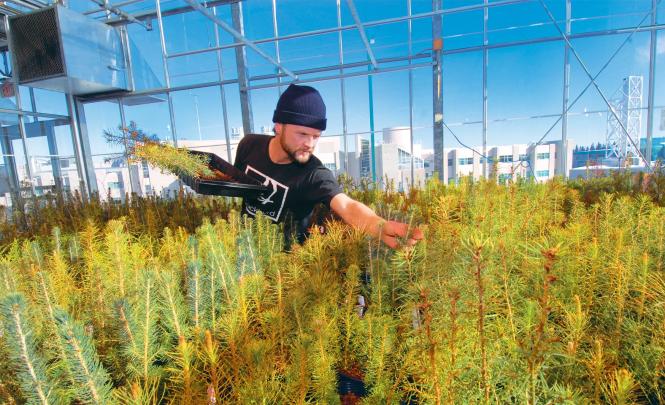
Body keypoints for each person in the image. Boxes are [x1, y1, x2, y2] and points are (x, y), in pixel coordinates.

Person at [233, 83, 423, 249]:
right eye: (302, 134)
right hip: (244, 249)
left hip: (285, 268)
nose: (310, 144)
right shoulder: (248, 145)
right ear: (279, 126)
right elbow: (235, 183)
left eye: (316, 136)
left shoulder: (314, 173)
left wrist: (377, 225)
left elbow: (347, 205)